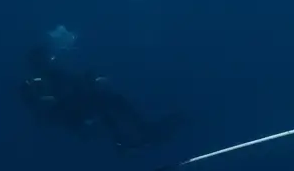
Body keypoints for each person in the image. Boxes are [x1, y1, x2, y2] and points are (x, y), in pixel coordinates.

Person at [19, 30, 180, 148]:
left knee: (107, 100)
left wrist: (92, 79)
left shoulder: (55, 73)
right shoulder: (32, 83)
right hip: (67, 114)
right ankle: (127, 139)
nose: (49, 60)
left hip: (74, 109)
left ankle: (128, 138)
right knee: (104, 102)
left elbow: (75, 82)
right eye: (44, 58)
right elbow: (38, 107)